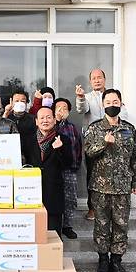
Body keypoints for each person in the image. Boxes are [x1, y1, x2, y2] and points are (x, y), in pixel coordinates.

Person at [83, 89, 136, 272]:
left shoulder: (129, 129)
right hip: (100, 187)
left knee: (120, 225)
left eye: (115, 101)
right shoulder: (94, 128)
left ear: (120, 104)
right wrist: (104, 143)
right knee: (101, 226)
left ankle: (116, 261)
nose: (112, 104)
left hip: (122, 187)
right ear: (102, 105)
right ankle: (102, 261)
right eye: (108, 101)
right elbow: (88, 153)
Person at [75, 69, 128, 221]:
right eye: (94, 78)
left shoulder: (113, 96)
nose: (97, 80)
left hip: (114, 140)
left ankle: (113, 208)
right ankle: (92, 208)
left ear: (105, 79)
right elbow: (81, 109)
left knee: (115, 172)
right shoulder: (87, 97)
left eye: (99, 77)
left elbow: (124, 114)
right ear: (90, 82)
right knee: (93, 174)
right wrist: (80, 97)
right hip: (94, 142)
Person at [20, 106, 73, 236]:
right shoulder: (27, 140)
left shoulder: (63, 139)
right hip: (30, 192)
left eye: (49, 117)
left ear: (55, 120)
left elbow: (68, 164)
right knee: (30, 234)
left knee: (53, 234)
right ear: (36, 121)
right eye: (42, 118)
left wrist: (59, 149)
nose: (45, 120)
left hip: (53, 192)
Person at [54, 97, 82, 240]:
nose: (61, 110)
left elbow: (77, 148)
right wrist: (57, 121)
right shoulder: (51, 125)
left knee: (70, 198)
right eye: (58, 108)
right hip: (53, 170)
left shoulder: (72, 128)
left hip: (70, 169)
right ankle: (55, 226)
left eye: (64, 108)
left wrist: (76, 165)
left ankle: (67, 226)